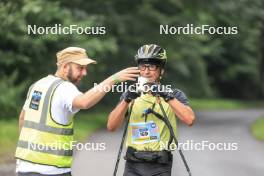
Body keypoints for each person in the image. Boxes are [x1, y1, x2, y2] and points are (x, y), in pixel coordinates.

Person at [15, 47, 140, 176]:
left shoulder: (38, 85)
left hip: (24, 168)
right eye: (80, 68)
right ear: (64, 67)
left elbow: (22, 118)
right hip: (52, 170)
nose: (84, 73)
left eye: (85, 68)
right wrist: (114, 79)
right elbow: (84, 102)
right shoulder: (64, 88)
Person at [107, 44, 195, 176]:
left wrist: (166, 95)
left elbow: (189, 119)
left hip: (160, 165)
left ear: (161, 71)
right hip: (133, 164)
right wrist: (126, 100)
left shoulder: (173, 94)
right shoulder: (131, 95)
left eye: (152, 66)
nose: (147, 72)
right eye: (143, 66)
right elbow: (111, 126)